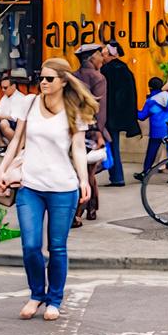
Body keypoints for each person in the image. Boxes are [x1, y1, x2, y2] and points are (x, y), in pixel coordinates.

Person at [0, 57, 94, 323]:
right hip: (30, 186)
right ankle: (37, 294)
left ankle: (54, 300)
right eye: (41, 78)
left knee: (57, 247)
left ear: (62, 81)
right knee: (31, 245)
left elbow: (79, 148)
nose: (43, 83)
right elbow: (17, 141)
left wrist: (83, 180)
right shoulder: (30, 103)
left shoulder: (75, 109)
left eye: (49, 78)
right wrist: (3, 169)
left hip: (63, 188)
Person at [72, 43, 108, 219]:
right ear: (92, 57)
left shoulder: (73, 76)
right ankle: (82, 212)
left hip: (75, 129)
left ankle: (90, 208)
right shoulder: (98, 78)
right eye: (101, 55)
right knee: (87, 173)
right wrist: (99, 132)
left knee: (85, 172)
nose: (103, 58)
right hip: (91, 131)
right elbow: (100, 109)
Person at [99, 41, 137, 186]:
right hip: (120, 115)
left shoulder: (108, 70)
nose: (102, 57)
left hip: (110, 115)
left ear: (109, 55)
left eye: (103, 54)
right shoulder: (125, 69)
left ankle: (116, 176)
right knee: (113, 144)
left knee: (111, 144)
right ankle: (116, 176)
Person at [133, 76, 168, 182]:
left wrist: (132, 110)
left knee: (152, 151)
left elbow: (142, 116)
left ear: (150, 87)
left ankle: (145, 172)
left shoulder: (151, 101)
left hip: (157, 130)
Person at [0, 70, 32, 155]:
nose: (3, 90)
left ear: (13, 86)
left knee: (3, 123)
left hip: (20, 125)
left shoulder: (20, 98)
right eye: (2, 87)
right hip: (7, 120)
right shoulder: (5, 97)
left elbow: (15, 117)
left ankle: (19, 147)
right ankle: (2, 146)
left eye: (5, 87)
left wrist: (1, 117)